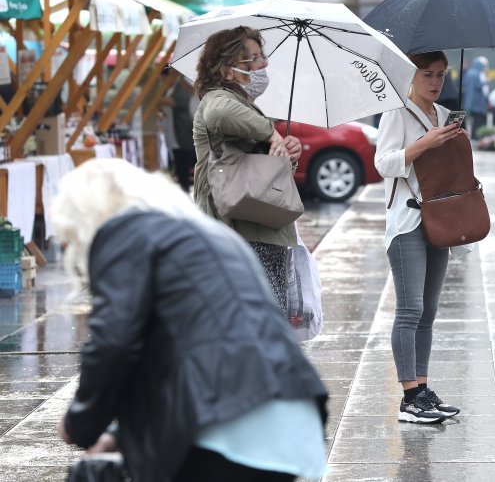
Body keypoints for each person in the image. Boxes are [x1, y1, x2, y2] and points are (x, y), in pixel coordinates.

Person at [52, 159, 328, 482]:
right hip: (291, 417)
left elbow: (114, 341)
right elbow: (179, 355)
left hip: (230, 421)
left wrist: (80, 423)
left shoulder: (123, 231)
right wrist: (119, 435)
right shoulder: (205, 235)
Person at [375, 51, 464, 424]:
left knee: (428, 311)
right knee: (409, 309)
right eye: (427, 74)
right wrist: (422, 145)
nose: (435, 81)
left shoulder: (444, 115)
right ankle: (409, 396)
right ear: (411, 76)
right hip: (407, 221)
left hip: (440, 218)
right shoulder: (395, 112)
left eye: (441, 75)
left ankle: (423, 388)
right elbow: (383, 163)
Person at [193, 26, 302, 318]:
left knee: (269, 326)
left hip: (263, 229)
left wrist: (289, 153)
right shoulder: (217, 99)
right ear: (227, 71)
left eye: (261, 56)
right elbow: (218, 113)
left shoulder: (248, 107)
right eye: (252, 59)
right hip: (237, 235)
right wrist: (271, 133)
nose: (263, 64)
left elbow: (262, 172)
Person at [163, 76, 198, 192]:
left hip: (183, 133)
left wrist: (155, 98)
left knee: (183, 166)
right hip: (177, 131)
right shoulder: (178, 83)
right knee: (181, 166)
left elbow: (178, 101)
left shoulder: (186, 82)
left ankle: (185, 192)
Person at [461, 56, 489, 138]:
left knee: (469, 121)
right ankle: (475, 136)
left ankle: (470, 136)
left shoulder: (469, 73)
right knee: (478, 120)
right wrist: (485, 82)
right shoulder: (478, 74)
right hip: (477, 102)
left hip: (468, 101)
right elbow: (479, 86)